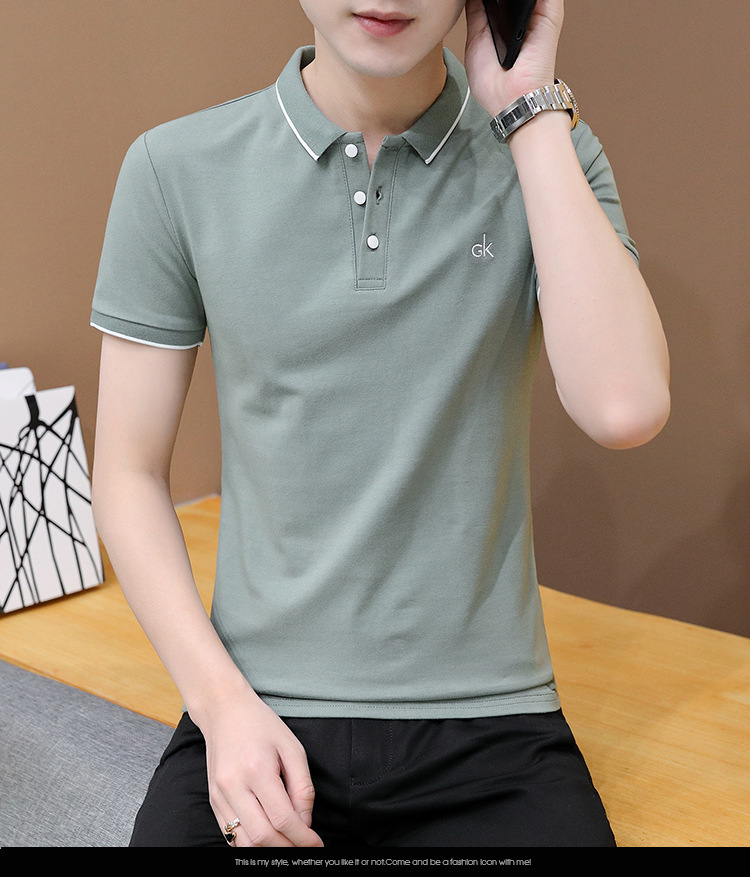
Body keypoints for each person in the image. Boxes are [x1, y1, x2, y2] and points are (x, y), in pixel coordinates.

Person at [90, 0, 670, 848]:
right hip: (258, 707)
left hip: (493, 726)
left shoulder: (549, 149)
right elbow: (128, 473)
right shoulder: (174, 167)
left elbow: (625, 407)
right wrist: (221, 707)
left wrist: (528, 109)